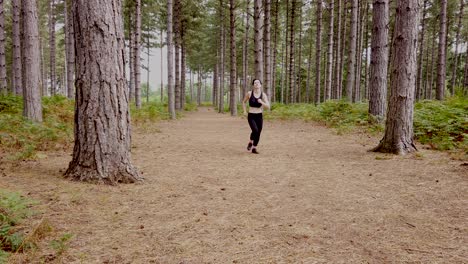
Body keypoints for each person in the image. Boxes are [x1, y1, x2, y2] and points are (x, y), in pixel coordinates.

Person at [242, 79, 270, 154]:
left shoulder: (263, 95)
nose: (256, 84)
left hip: (259, 115)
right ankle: (250, 142)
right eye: (255, 83)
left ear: (260, 85)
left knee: (258, 132)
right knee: (255, 130)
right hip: (251, 115)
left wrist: (261, 102)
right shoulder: (249, 93)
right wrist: (244, 111)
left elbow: (268, 106)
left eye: (258, 83)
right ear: (253, 85)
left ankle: (254, 147)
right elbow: (244, 102)